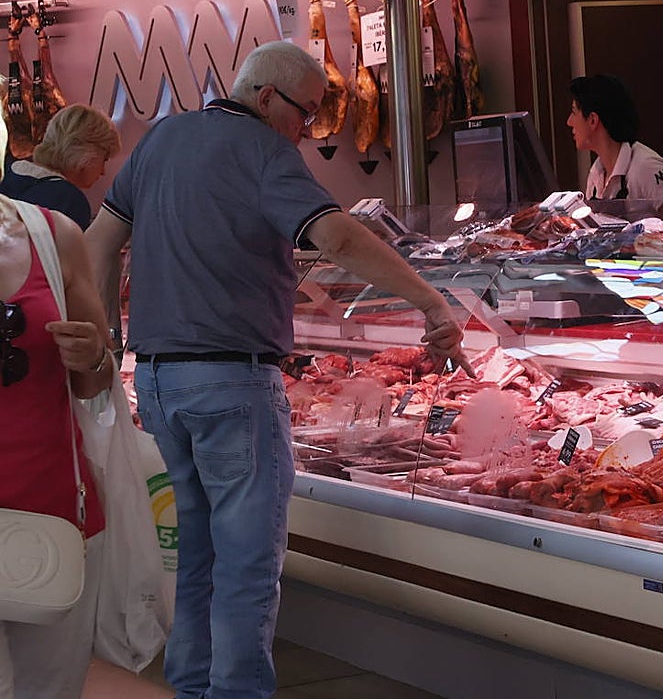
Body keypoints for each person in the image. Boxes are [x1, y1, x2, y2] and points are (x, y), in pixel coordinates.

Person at [85, 40, 471, 699]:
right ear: (267, 97)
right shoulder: (264, 153)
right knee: (248, 564)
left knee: (200, 552)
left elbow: (99, 241)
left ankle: (194, 686)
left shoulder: (160, 139)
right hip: (232, 383)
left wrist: (108, 338)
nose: (307, 132)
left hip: (157, 381)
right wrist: (432, 300)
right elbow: (339, 238)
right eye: (307, 114)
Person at [0, 141, 115, 697]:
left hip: (50, 506)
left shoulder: (55, 236)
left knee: (51, 688)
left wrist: (92, 353)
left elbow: (94, 381)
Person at [568, 73, 663, 223]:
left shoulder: (646, 167)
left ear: (592, 120)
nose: (569, 122)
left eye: (573, 112)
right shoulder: (596, 172)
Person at [0, 104, 121, 230]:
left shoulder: (7, 171)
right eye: (104, 160)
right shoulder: (69, 201)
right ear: (88, 154)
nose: (103, 172)